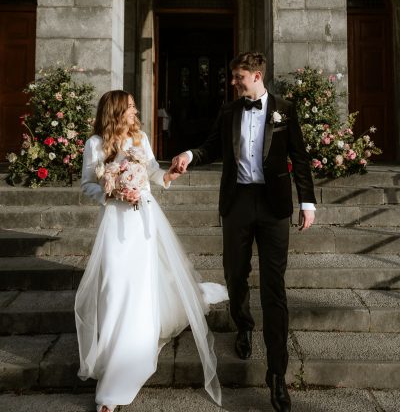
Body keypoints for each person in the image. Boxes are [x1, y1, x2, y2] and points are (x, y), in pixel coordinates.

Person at [172, 52, 316, 412]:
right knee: (235, 274)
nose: (233, 83)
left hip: (274, 207)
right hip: (237, 203)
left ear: (255, 75)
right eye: (233, 77)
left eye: (238, 77)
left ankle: (277, 375)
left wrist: (308, 202)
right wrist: (190, 155)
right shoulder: (229, 111)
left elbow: (299, 157)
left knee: (274, 287)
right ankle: (244, 324)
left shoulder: (285, 109)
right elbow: (210, 147)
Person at [75, 90, 227, 412]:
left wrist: (169, 175)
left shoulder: (141, 137)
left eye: (133, 106)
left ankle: (122, 373)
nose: (135, 110)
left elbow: (153, 174)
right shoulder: (95, 144)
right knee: (114, 287)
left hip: (143, 220)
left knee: (139, 288)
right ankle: (112, 350)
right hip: (116, 223)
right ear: (115, 111)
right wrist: (112, 192)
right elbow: (88, 183)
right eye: (129, 107)